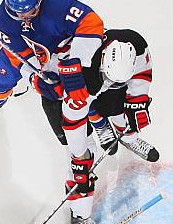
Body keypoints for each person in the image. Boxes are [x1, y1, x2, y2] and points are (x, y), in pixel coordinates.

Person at [0, 0, 113, 224]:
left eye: (29, 12)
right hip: (42, 59)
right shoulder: (6, 17)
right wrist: (34, 76)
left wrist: (73, 65)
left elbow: (93, 24)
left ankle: (101, 126)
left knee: (83, 111)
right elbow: (19, 52)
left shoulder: (58, 3)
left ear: (40, 1)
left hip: (65, 53)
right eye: (16, 13)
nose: (23, 18)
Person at [34, 28, 159, 162]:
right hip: (83, 71)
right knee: (89, 100)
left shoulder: (136, 44)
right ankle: (101, 125)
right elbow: (76, 115)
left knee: (117, 103)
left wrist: (137, 103)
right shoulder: (84, 66)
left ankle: (129, 138)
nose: (111, 84)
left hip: (99, 68)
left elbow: (142, 72)